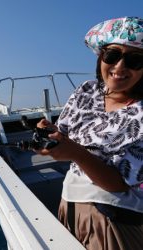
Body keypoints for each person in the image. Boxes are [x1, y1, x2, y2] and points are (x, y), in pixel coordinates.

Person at [36, 17, 143, 250]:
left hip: (114, 220)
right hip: (69, 203)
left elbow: (119, 185)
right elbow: (63, 130)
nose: (120, 67)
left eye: (135, 60)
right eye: (112, 56)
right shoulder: (86, 90)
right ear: (100, 57)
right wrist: (48, 132)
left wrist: (76, 153)